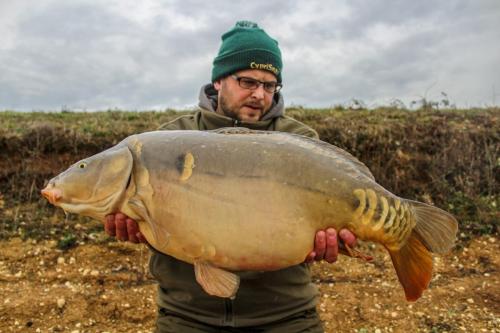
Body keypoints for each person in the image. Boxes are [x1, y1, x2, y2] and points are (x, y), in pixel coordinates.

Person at [105, 21, 357, 333]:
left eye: (269, 86)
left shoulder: (299, 141)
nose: (260, 96)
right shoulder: (169, 139)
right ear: (219, 80)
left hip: (287, 315)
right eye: (248, 82)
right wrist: (138, 224)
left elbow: (321, 224)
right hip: (186, 315)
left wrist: (331, 240)